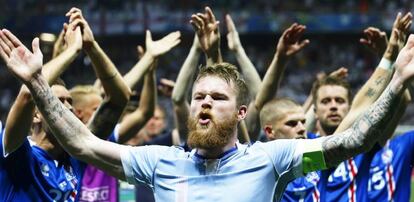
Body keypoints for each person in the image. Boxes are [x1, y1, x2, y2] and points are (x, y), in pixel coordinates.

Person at [260, 98, 320, 201]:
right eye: (291, 123)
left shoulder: (313, 154)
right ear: (270, 132)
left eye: (303, 122)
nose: (302, 129)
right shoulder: (259, 164)